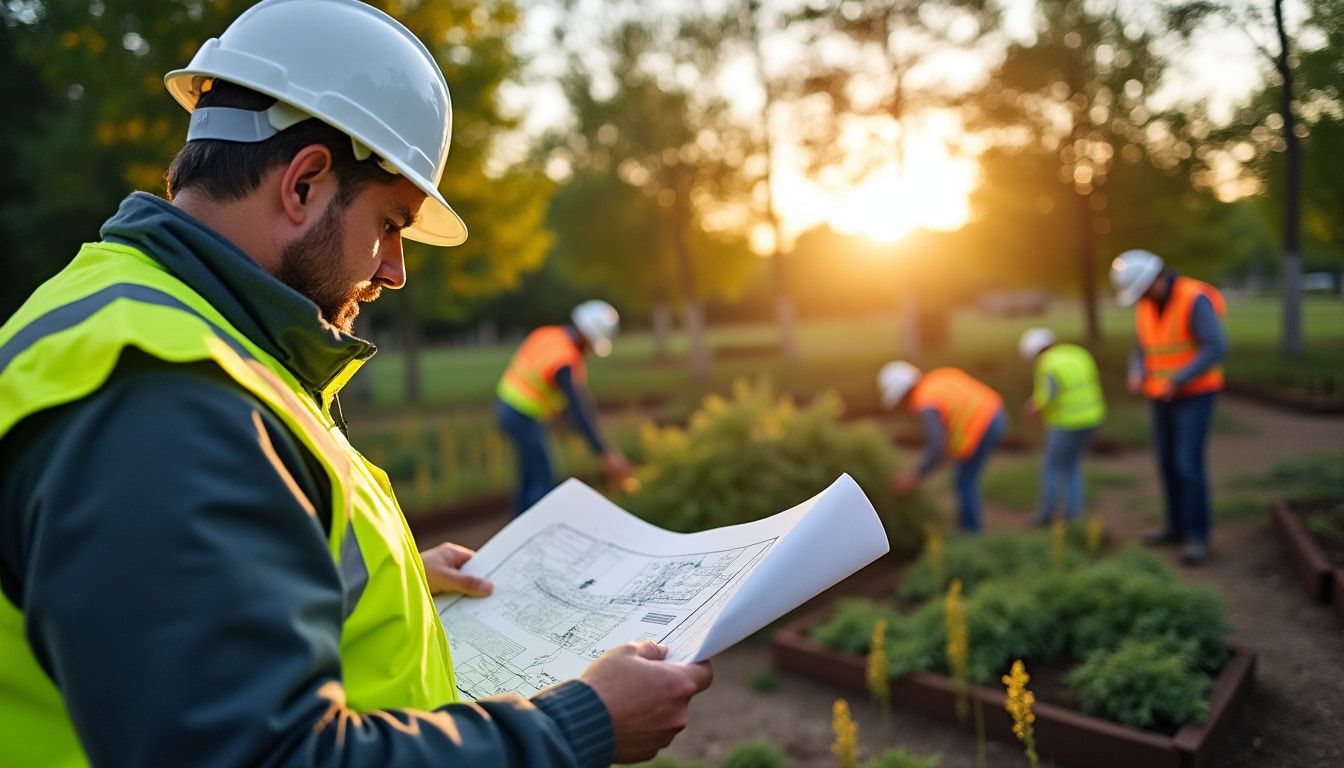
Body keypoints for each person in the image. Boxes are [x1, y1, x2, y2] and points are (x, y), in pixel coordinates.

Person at [0, 2, 711, 766]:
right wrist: (577, 726)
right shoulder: (165, 399)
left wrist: (386, 582)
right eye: (392, 224)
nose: (396, 270)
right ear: (304, 183)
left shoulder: (165, 326)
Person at [1110, 248, 1228, 565]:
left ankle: (1197, 535)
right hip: (1160, 397)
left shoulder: (1193, 298)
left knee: (1188, 463)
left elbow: (1216, 346)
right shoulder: (1146, 306)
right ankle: (1175, 525)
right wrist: (1136, 372)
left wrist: (1179, 379)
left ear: (1154, 279)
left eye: (1142, 291)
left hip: (1195, 395)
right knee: (1166, 463)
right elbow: (1141, 348)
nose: (1141, 298)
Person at [495, 300, 634, 516]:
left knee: (529, 474)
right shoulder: (564, 359)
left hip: (505, 407)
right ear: (587, 336)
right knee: (542, 480)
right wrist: (604, 452)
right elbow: (578, 408)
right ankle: (537, 527)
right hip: (523, 416)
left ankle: (518, 523)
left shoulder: (548, 334)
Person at [879, 361, 1007, 533]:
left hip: (982, 426)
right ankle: (968, 527)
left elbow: (937, 445)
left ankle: (971, 533)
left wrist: (914, 476)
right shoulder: (938, 378)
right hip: (995, 412)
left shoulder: (925, 401)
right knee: (964, 479)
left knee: (964, 482)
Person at [1018, 328, 1107, 527]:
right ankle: (1074, 515)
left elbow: (1049, 394)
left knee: (1052, 466)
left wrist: (1034, 407)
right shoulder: (1077, 353)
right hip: (1093, 417)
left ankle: (1047, 513)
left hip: (1068, 421)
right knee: (1072, 465)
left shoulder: (1047, 363)